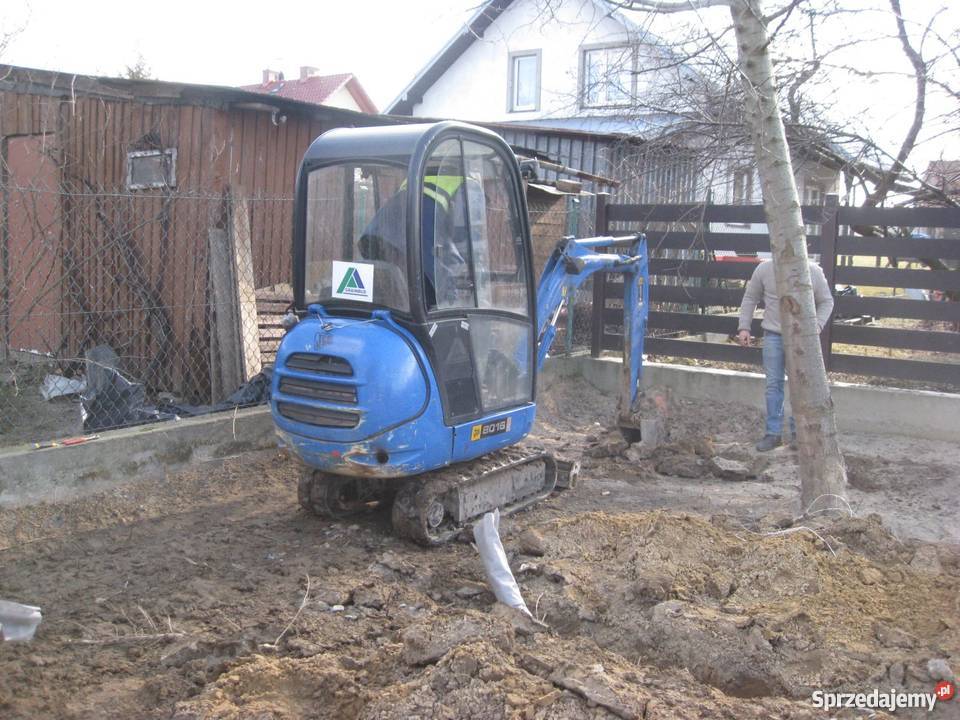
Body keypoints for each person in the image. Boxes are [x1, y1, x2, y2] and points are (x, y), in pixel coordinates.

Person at [737, 259, 834, 452]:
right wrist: (744, 327)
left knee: (799, 386)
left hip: (801, 339)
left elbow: (827, 301)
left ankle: (799, 434)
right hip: (773, 336)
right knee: (774, 385)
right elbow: (750, 298)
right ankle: (773, 434)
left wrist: (818, 324)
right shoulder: (764, 269)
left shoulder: (812, 271)